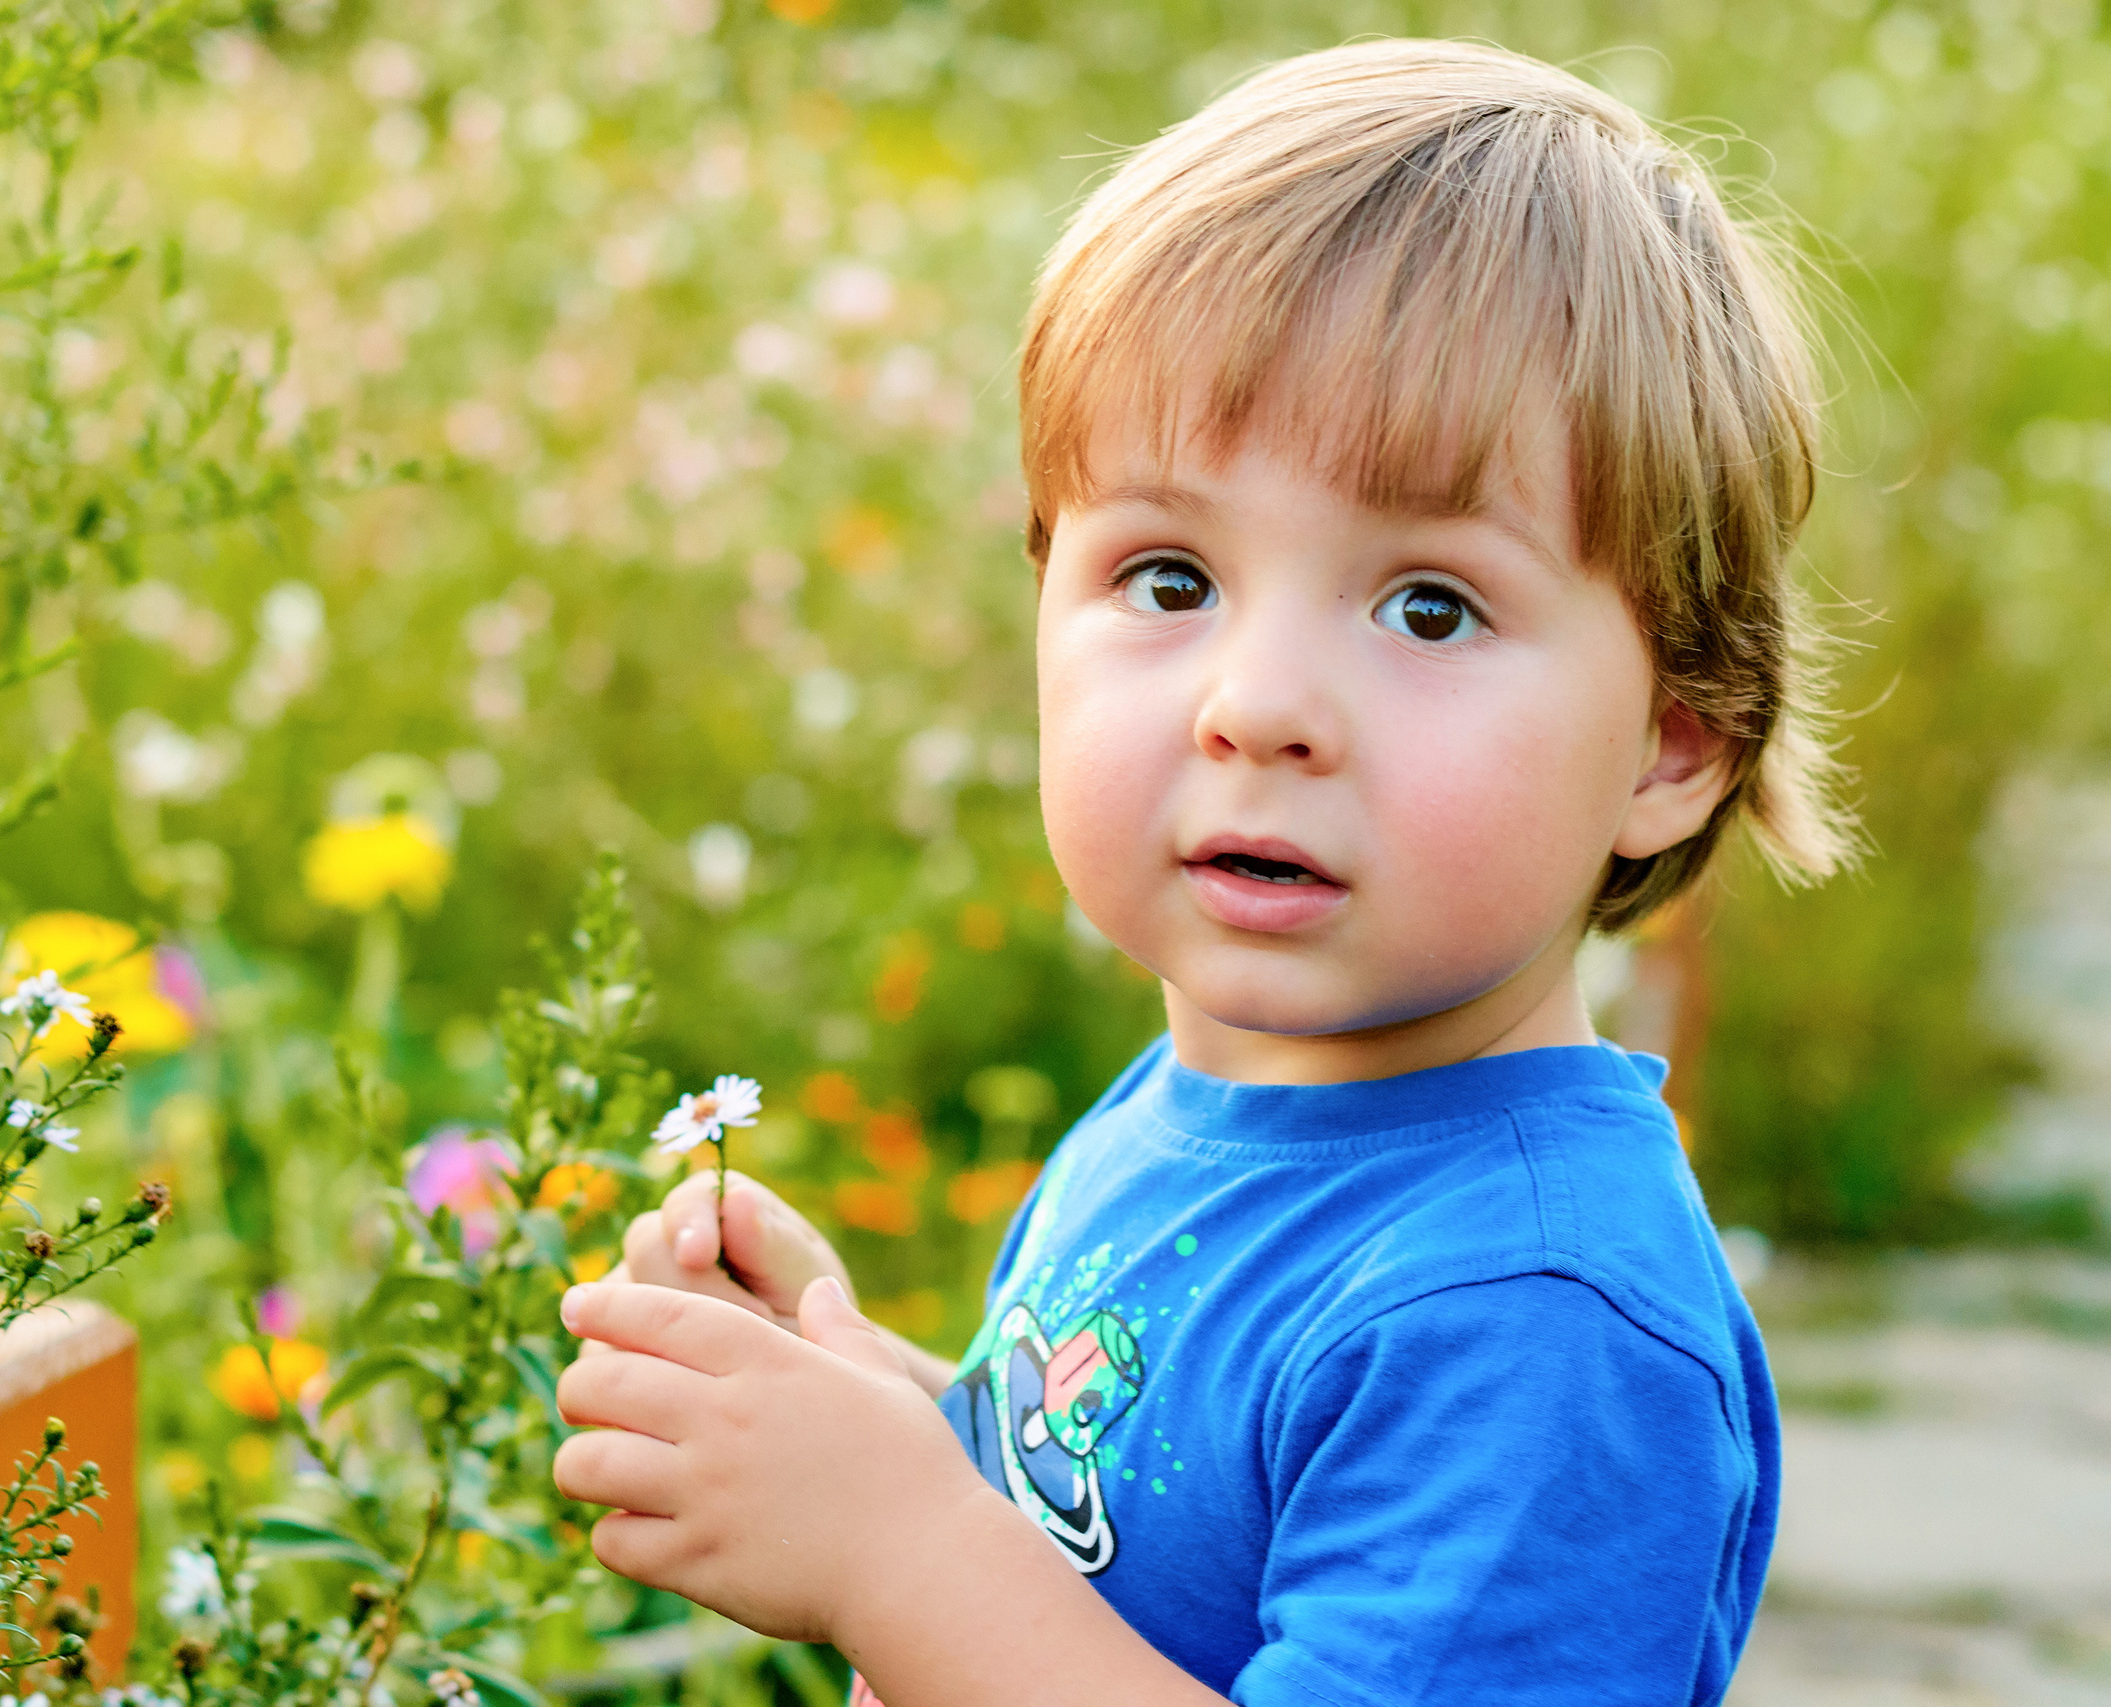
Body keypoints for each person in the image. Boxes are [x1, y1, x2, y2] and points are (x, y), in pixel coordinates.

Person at [551, 37, 1854, 1706]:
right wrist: (877, 1412)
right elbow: (1161, 1558)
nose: (1258, 708)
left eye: (1429, 606)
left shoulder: (1538, 1327)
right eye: (1169, 578)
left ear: (1674, 742)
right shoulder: (1224, 1105)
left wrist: (894, 1548)